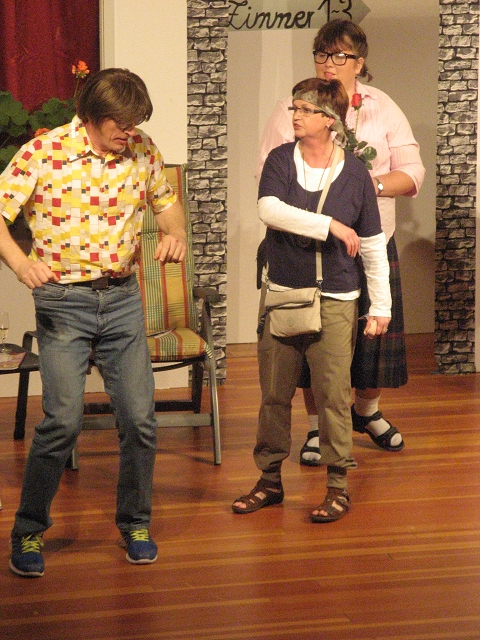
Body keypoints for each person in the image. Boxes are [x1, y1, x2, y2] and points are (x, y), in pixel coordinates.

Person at [0, 68, 187, 577]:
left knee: (140, 420)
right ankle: (29, 530)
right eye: (121, 123)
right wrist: (20, 264)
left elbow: (169, 208)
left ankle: (136, 523)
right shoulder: (44, 152)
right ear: (92, 116)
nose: (130, 131)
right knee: (62, 421)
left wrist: (174, 235)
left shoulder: (142, 150)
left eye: (135, 122)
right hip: (64, 302)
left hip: (122, 299)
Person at [255, 19, 425, 465]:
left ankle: (366, 411)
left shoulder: (383, 107)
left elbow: (413, 173)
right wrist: (321, 214)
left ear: (359, 62)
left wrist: (365, 187)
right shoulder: (293, 107)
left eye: (339, 55)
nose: (328, 63)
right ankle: (317, 426)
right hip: (306, 247)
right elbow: (266, 175)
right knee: (311, 337)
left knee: (374, 336)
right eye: (321, 54)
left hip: (371, 236)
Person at [232, 77, 391, 522]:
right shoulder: (282, 159)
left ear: (330, 119)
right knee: (274, 395)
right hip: (283, 295)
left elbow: (372, 243)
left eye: (305, 109)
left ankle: (338, 485)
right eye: (295, 108)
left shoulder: (355, 173)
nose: (296, 116)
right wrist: (331, 226)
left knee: (333, 395)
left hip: (336, 297)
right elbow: (269, 209)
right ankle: (269, 480)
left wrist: (381, 306)